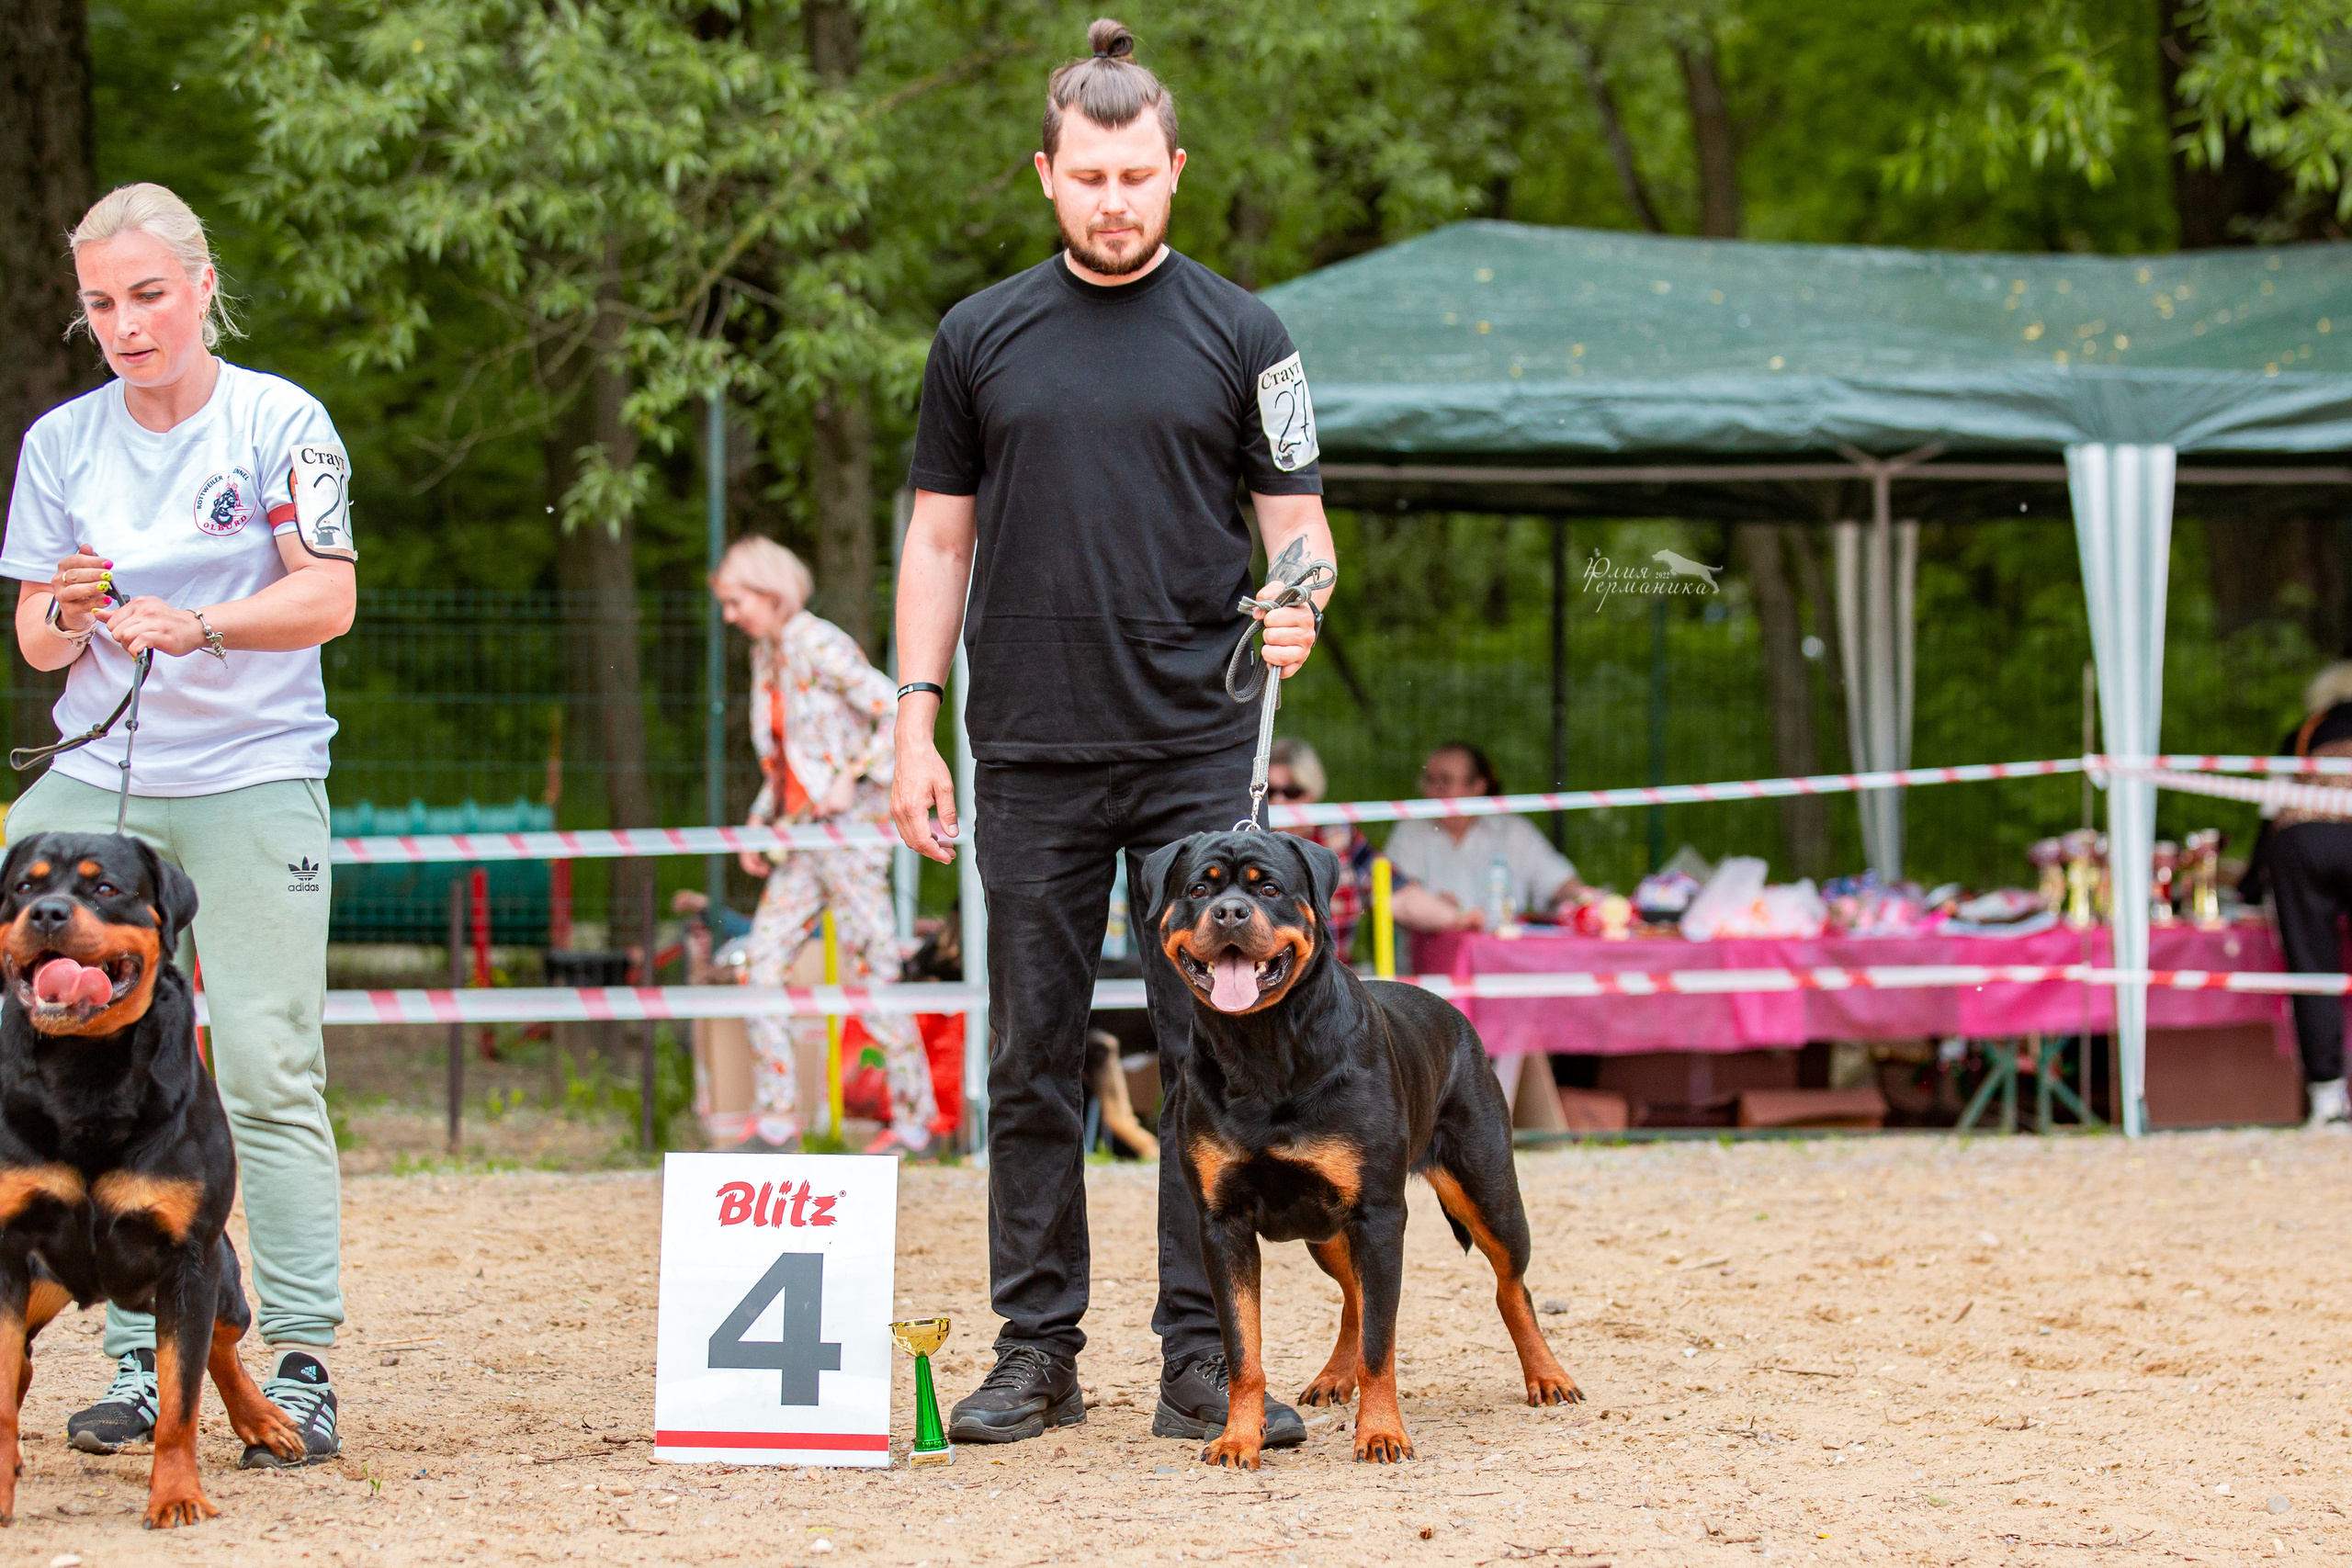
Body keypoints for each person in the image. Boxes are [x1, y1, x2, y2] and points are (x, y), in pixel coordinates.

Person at [890, 20, 1332, 1450]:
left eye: (1138, 174)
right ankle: (1036, 1348)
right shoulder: (977, 337)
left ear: (1176, 170)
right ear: (1046, 174)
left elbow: (1303, 530)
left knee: (1209, 1054)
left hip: (1197, 752)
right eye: (1089, 175)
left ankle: (1202, 1355)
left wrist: (1300, 605)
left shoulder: (1250, 335)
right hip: (1023, 745)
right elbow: (935, 539)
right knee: (1031, 1049)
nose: (1115, 199)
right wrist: (913, 719)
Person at [1, 184, 354, 1465]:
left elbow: (327, 600)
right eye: (102, 302)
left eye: (148, 293)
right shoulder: (62, 442)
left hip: (256, 763)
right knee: (58, 1041)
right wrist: (73, 607)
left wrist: (202, 621)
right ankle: (130, 1352)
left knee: (265, 1062)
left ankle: (303, 1355)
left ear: (202, 285)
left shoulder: (281, 420)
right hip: (105, 770)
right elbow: (38, 638)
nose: (125, 323)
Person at [711, 536, 940, 1156]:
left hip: (849, 838)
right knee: (761, 962)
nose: (730, 616)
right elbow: (786, 761)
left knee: (875, 971)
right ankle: (778, 1120)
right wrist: (762, 822)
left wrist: (853, 776)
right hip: (802, 840)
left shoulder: (818, 642)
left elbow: (894, 707)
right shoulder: (768, 654)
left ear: (769, 590)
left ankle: (917, 1123)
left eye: (736, 602)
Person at [2241, 660, 2352, 1130]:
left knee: (2312, 964)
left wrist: (2249, 886)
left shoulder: (2303, 733)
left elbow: (2272, 813)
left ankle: (2327, 1099)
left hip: (2304, 840)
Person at [1265, 737, 1454, 964]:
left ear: (1313, 792)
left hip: (1333, 981)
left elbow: (1398, 895)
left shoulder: (1340, 837)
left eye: (1292, 792)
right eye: (1269, 792)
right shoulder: (1246, 839)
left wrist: (1455, 918)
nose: (1278, 801)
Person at [1383, 741, 1589, 934]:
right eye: (1429, 780)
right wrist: (1433, 909)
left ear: (1478, 787)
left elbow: (1561, 883)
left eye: (1445, 780)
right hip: (1431, 967)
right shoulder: (1409, 832)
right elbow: (1394, 899)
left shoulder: (1512, 830)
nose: (1433, 789)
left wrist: (1584, 902)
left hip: (1504, 962)